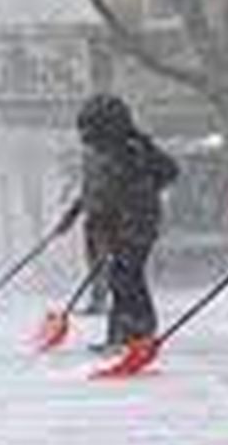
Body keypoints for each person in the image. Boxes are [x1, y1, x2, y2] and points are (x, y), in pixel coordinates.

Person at [56, 94, 179, 352]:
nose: (86, 136)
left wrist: (140, 195)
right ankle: (124, 333)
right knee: (121, 275)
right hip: (117, 221)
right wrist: (74, 213)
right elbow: (97, 190)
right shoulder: (107, 151)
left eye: (90, 128)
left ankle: (137, 330)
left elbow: (166, 172)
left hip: (137, 221)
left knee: (126, 274)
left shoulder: (131, 149)